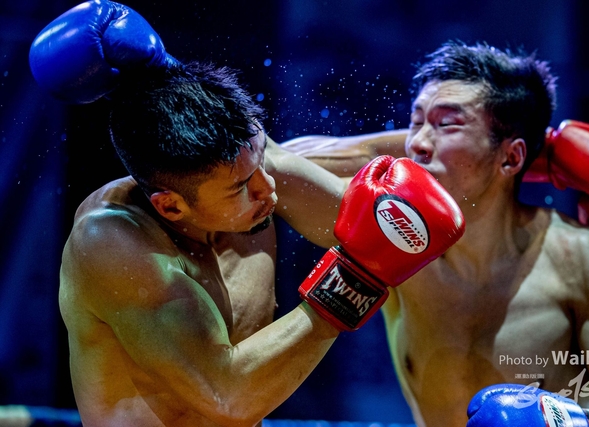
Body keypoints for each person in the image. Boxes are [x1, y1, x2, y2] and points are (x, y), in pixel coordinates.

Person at [29, 2, 465, 426]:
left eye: (262, 161)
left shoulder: (244, 163)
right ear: (171, 206)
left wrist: (478, 145)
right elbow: (227, 395)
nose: (268, 187)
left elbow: (362, 217)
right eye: (241, 188)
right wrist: (352, 280)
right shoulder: (111, 242)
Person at [283, 41, 589, 426]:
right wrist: (539, 151)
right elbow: (270, 167)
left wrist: (577, 426)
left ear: (512, 157)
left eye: (447, 123)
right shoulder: (397, 234)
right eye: (416, 121)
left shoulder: (579, 256)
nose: (417, 144)